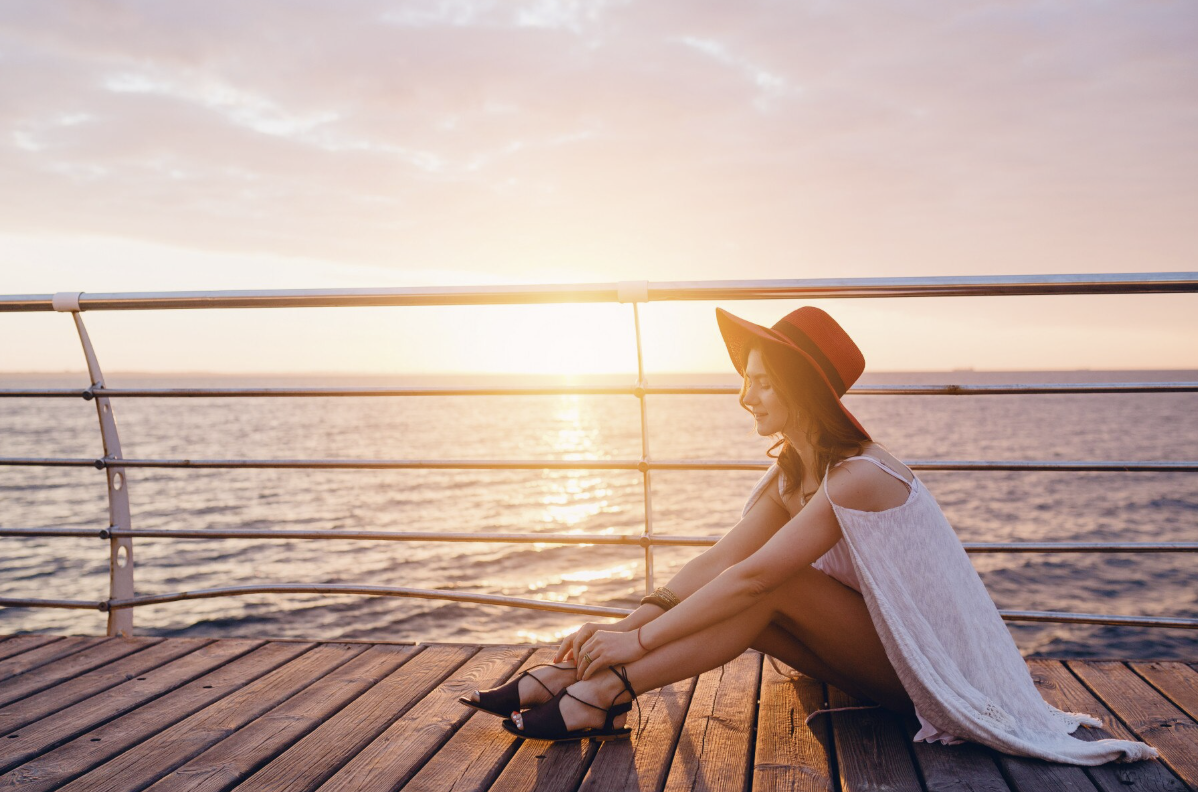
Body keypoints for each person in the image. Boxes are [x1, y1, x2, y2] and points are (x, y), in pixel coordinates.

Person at [459, 306, 1159, 764]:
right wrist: (628, 621)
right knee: (746, 604)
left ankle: (604, 690)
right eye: (745, 381)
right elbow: (723, 559)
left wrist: (633, 646)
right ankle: (585, 683)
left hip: (938, 675)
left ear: (799, 387)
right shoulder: (794, 472)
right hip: (882, 657)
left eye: (760, 382)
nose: (745, 396)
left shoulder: (858, 475)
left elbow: (760, 577)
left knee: (776, 585)